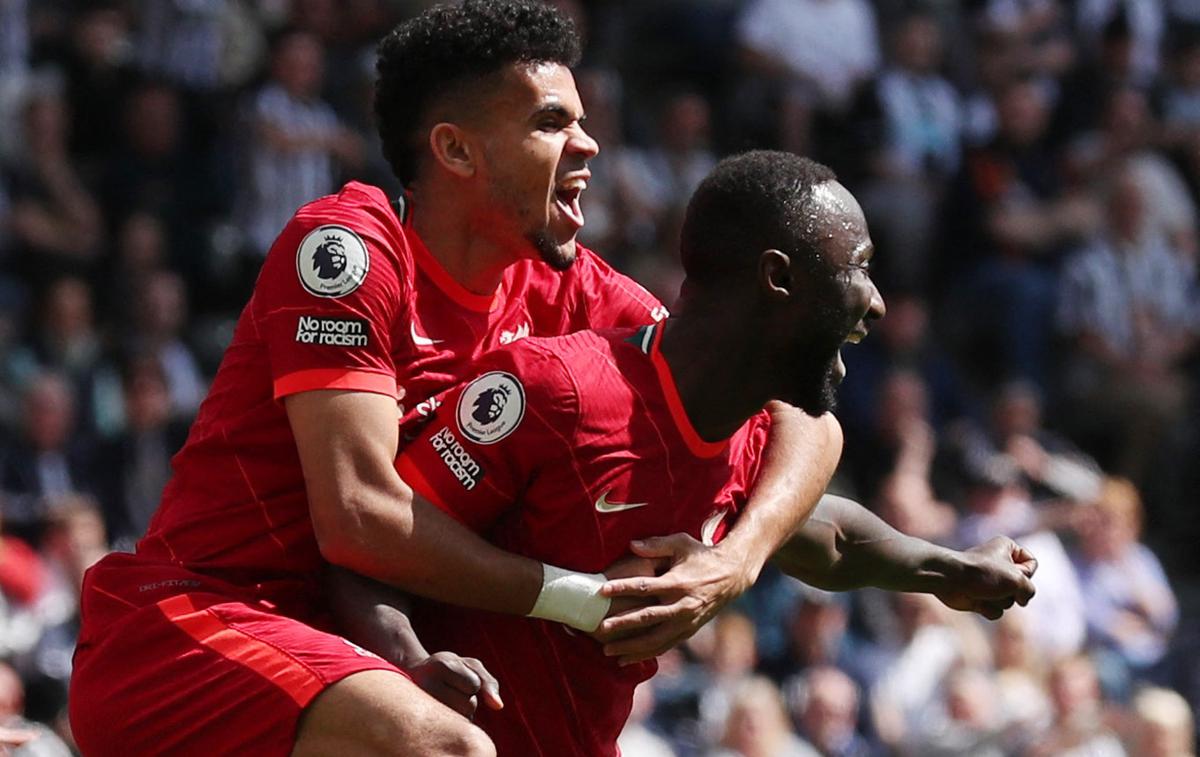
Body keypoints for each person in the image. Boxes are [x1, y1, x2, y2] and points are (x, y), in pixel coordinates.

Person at [68, 3, 842, 755]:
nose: (589, 144)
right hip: (195, 628)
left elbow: (795, 399)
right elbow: (360, 516)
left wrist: (733, 562)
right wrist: (581, 597)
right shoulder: (350, 252)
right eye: (551, 122)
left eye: (582, 118)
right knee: (443, 747)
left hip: (343, 660)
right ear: (457, 150)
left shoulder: (576, 293)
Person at [390, 151, 1038, 755]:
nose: (876, 301)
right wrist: (410, 657)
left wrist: (952, 569)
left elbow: (829, 537)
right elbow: (378, 540)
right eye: (859, 267)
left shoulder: (748, 437)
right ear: (779, 277)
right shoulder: (557, 391)